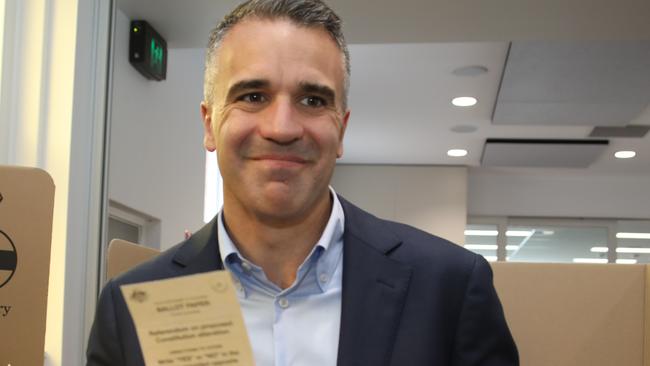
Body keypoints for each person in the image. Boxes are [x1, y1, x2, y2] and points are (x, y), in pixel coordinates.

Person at [86, 0, 519, 365]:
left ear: (341, 130)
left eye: (313, 100)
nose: (282, 127)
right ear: (209, 124)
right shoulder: (130, 306)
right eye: (252, 96)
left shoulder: (451, 289)